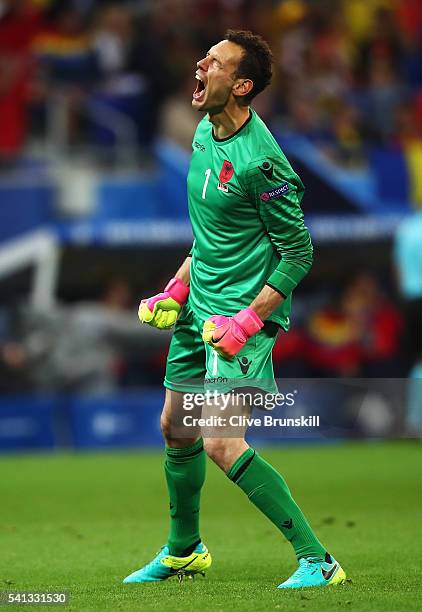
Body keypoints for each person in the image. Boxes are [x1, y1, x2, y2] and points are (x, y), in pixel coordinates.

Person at [124, 30, 346, 590]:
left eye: (216, 62)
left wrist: (248, 322)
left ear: (241, 85)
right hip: (198, 310)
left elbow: (300, 251)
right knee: (176, 428)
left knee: (221, 442)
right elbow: (210, 239)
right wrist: (173, 291)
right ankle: (184, 551)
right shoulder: (203, 133)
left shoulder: (264, 163)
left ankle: (319, 561)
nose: (201, 64)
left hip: (241, 320)